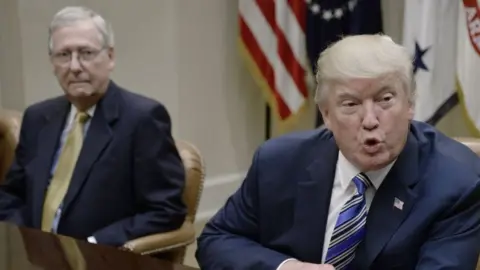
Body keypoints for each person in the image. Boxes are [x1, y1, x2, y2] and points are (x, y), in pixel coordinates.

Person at [195, 34, 480, 269]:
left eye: (385, 99)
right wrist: (286, 268)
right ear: (327, 115)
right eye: (350, 104)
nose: (370, 120)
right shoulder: (278, 162)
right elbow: (217, 240)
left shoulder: (456, 182)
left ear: (410, 105)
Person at [0, 6, 186, 247]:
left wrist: (95, 242)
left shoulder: (143, 119)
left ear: (110, 57)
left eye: (86, 53)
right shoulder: (38, 117)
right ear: (52, 63)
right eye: (64, 55)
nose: (74, 66)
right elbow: (11, 194)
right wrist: (25, 238)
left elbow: (166, 209)